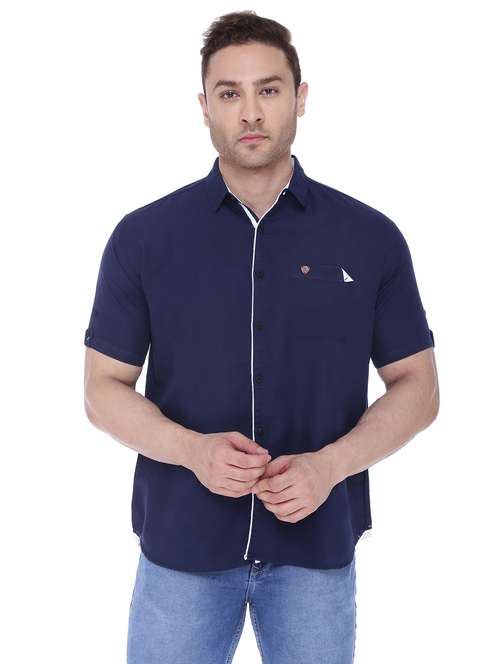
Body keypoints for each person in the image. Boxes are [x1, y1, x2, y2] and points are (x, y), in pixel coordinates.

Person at [83, 10, 439, 664]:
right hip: (182, 551)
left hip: (314, 551)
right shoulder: (144, 238)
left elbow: (419, 388)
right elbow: (102, 390)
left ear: (299, 97)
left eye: (268, 90)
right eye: (229, 93)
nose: (250, 112)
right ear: (204, 106)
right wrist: (192, 451)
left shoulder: (370, 237)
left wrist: (330, 466)